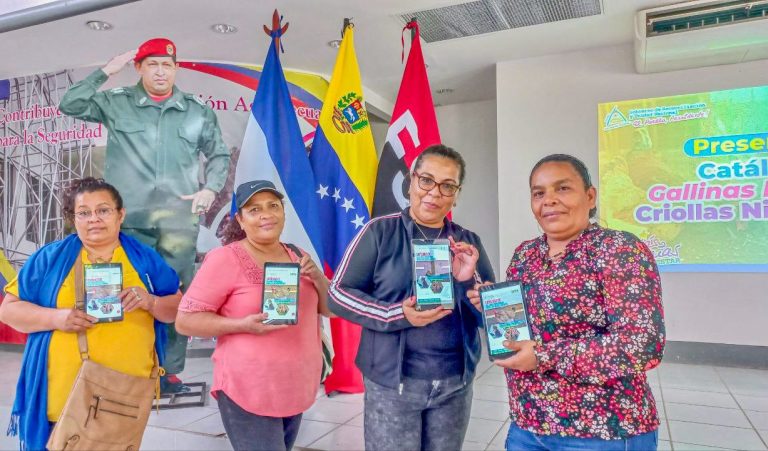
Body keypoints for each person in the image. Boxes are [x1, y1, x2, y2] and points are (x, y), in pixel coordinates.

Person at [59, 38, 231, 392]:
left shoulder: (196, 111)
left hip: (177, 222)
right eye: (152, 64)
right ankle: (125, 364)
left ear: (176, 69)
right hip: (128, 220)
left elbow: (219, 154)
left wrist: (211, 189)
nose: (160, 72)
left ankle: (169, 371)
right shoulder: (117, 102)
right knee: (121, 291)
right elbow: (70, 103)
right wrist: (106, 71)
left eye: (167, 65)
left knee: (175, 294)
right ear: (138, 68)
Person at [469, 154, 665, 450]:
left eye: (562, 188)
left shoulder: (619, 249)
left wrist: (544, 356)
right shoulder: (525, 255)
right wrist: (495, 307)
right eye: (539, 193)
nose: (549, 200)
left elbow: (642, 344)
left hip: (602, 430)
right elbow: (528, 326)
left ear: (590, 196)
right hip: (528, 425)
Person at [328, 144, 496, 451]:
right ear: (411, 181)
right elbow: (338, 294)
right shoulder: (379, 232)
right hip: (392, 383)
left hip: (454, 384)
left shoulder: (468, 242)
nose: (434, 193)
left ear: (457, 194)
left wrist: (468, 280)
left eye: (447, 186)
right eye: (426, 180)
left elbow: (492, 316)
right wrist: (397, 314)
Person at [0, 177, 181, 450]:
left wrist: (151, 302)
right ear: (73, 219)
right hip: (63, 398)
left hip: (126, 396)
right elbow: (9, 311)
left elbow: (177, 308)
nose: (94, 219)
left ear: (120, 215)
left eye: (103, 210)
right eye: (84, 213)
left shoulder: (144, 259)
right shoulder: (50, 259)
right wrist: (57, 318)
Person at [174, 180, 333, 451]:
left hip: (295, 386)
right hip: (248, 389)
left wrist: (317, 277)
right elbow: (185, 321)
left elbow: (330, 309)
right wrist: (242, 325)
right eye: (254, 209)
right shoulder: (224, 259)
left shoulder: (298, 254)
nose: (266, 215)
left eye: (273, 206)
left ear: (283, 211)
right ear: (240, 219)